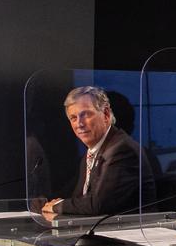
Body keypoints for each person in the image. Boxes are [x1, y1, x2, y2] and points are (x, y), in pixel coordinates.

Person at [42, 86, 154, 217]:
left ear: (106, 114)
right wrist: (43, 203)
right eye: (73, 118)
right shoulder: (91, 153)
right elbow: (78, 199)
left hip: (133, 228)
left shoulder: (122, 149)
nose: (79, 124)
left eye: (86, 115)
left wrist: (56, 206)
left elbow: (97, 204)